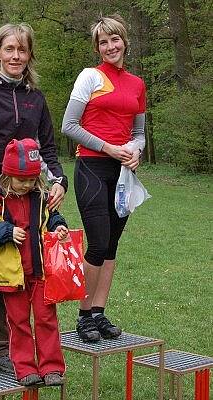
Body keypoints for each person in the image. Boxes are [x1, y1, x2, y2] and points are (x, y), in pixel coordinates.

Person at [0, 23, 68, 381]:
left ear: (29, 54)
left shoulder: (36, 97)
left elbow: (48, 148)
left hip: (28, 199)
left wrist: (59, 181)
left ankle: (1, 351)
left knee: (16, 278)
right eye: (9, 49)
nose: (15, 56)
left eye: (22, 50)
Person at [61, 14, 146, 343]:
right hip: (92, 168)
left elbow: (139, 133)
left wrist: (135, 151)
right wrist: (109, 148)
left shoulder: (137, 84)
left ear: (124, 41)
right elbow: (69, 126)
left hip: (124, 172)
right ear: (97, 47)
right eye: (103, 42)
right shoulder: (90, 77)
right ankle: (84, 316)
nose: (110, 46)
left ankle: (99, 311)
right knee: (97, 242)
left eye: (115, 39)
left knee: (111, 245)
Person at [0, 138, 67, 386]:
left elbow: (51, 217)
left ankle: (52, 368)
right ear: (7, 175)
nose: (26, 185)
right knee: (18, 322)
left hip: (41, 273)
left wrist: (59, 226)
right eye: (21, 180)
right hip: (12, 276)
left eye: (32, 180)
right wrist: (6, 232)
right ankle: (24, 369)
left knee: (47, 319)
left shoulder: (41, 196)